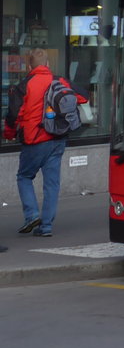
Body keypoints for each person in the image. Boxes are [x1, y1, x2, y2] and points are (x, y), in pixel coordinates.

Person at [3, 49, 86, 238]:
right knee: (52, 184)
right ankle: (46, 226)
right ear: (48, 64)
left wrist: (8, 134)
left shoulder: (24, 86)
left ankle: (32, 215)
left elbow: (13, 116)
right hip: (57, 138)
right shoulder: (59, 81)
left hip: (34, 140)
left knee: (24, 176)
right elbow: (83, 97)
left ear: (29, 66)